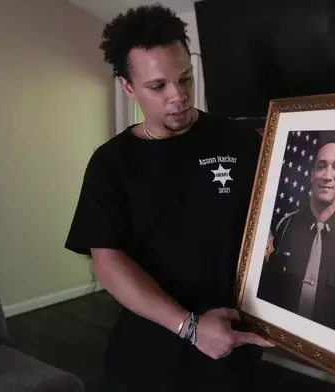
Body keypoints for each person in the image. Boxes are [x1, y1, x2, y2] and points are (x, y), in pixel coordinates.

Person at [64, 5, 274, 391]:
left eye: (186, 79)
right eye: (158, 86)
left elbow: (269, 220)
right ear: (128, 86)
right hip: (150, 358)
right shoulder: (112, 163)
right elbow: (108, 262)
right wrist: (189, 327)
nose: (178, 96)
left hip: (232, 345)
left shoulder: (240, 140)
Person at [257, 140, 335, 340]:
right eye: (321, 166)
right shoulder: (284, 227)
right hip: (280, 343)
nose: (328, 176)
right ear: (312, 174)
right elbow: (267, 292)